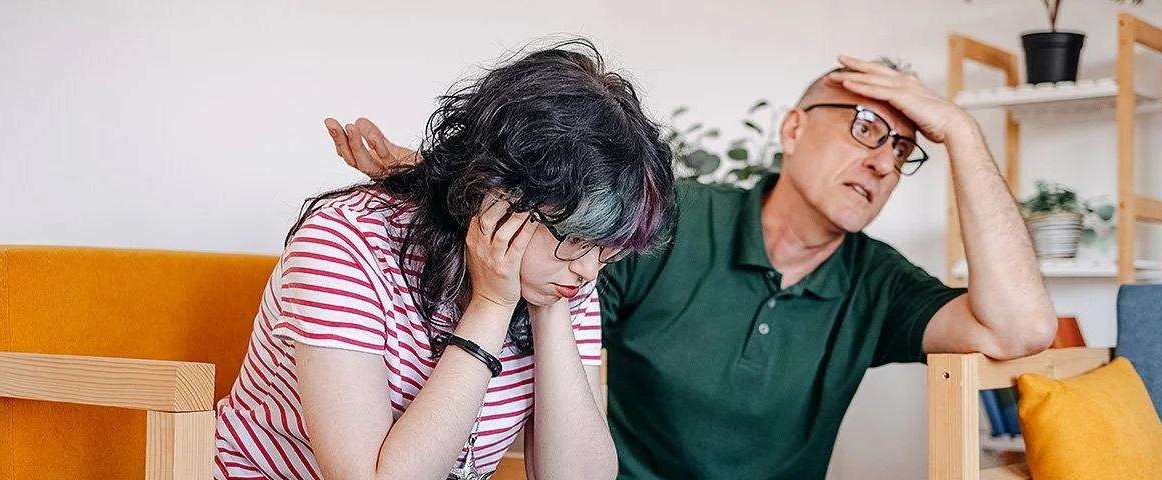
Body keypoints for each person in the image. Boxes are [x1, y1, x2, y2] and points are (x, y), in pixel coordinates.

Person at [329, 55, 1056, 478]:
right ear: (794, 127)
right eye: (866, 126)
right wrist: (435, 176)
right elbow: (551, 220)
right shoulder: (675, 221)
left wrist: (960, 132)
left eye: (904, 148)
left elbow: (1022, 327)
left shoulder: (878, 282)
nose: (881, 159)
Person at [216, 39, 676, 480]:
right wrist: (491, 307)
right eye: (576, 239)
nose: (590, 269)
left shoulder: (561, 276)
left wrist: (549, 310)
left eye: (608, 249)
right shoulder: (346, 245)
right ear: (497, 197)